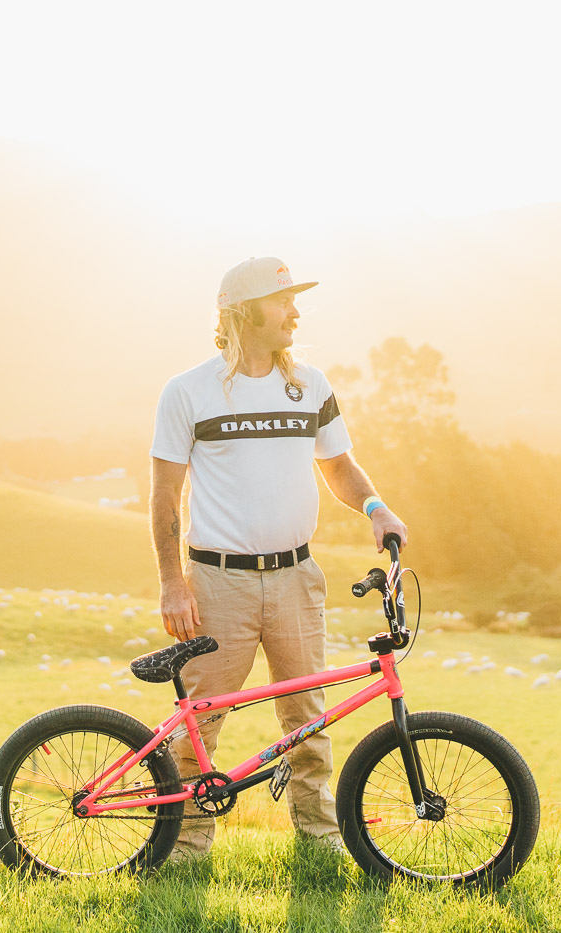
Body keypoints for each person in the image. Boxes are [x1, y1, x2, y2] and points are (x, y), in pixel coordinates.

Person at [148, 256, 408, 859]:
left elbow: (339, 467)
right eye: (282, 299)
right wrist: (172, 582)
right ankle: (186, 845)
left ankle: (318, 841)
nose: (295, 310)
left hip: (295, 577)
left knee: (308, 720)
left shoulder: (310, 386)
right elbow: (165, 494)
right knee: (200, 723)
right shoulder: (187, 391)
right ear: (245, 313)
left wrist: (376, 508)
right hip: (217, 582)